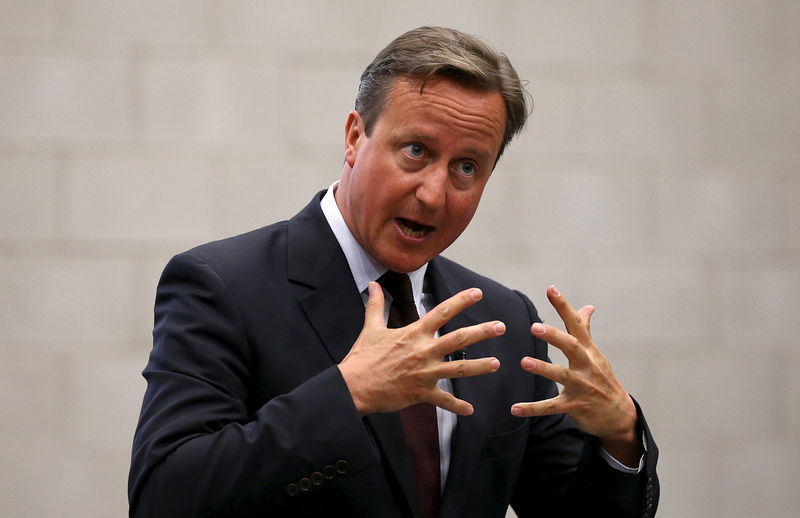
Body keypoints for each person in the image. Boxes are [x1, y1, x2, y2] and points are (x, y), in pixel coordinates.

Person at [129, 26, 659, 518]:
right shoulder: (223, 286)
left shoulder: (504, 321)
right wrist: (347, 394)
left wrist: (619, 436)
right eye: (415, 151)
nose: (434, 193)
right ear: (355, 136)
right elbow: (164, 495)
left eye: (467, 167)